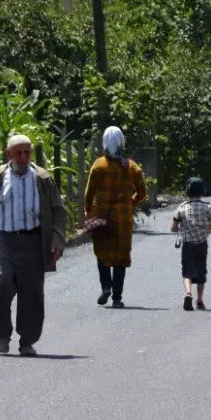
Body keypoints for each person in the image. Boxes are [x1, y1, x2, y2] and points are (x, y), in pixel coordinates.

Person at [0, 133, 67, 357]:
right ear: (9, 155)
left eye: (27, 152)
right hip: (3, 240)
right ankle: (2, 335)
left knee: (31, 293)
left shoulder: (42, 178)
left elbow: (59, 212)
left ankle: (27, 341)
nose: (23, 157)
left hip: (33, 240)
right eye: (19, 153)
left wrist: (57, 240)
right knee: (2, 284)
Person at [83, 125, 147, 309]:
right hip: (124, 218)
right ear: (122, 143)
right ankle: (117, 298)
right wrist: (130, 203)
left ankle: (105, 287)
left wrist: (89, 213)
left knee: (102, 252)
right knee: (121, 256)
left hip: (101, 215)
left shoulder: (98, 166)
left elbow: (88, 194)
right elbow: (142, 192)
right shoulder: (133, 168)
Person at [171, 177, 211, 311]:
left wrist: (182, 228)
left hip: (187, 245)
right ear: (202, 192)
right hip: (202, 244)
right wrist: (209, 230)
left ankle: (188, 292)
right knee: (201, 271)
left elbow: (174, 227)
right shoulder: (207, 208)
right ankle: (199, 300)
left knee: (187, 272)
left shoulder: (182, 208)